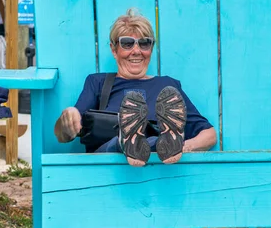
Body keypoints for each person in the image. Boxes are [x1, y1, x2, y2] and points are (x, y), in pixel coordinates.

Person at [54, 9, 217, 166]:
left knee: (154, 141)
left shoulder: (168, 87)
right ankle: (128, 140)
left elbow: (210, 135)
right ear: (114, 49)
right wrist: (67, 118)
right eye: (127, 44)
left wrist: (182, 148)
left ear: (151, 49)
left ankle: (160, 142)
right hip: (107, 167)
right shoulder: (98, 83)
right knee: (122, 142)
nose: (136, 51)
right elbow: (63, 136)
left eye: (144, 43)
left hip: (159, 171)